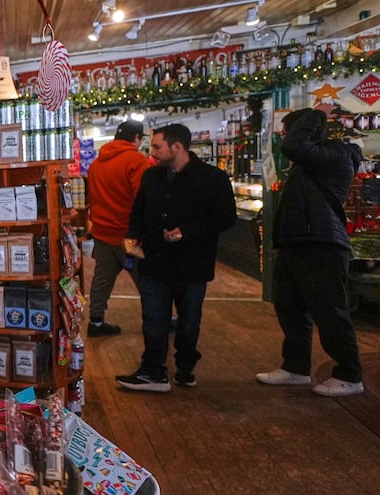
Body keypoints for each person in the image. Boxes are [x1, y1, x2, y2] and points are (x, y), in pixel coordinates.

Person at [116, 123, 237, 392]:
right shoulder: (151, 177)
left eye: (157, 146)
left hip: (192, 263)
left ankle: (185, 368)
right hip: (154, 262)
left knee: (188, 320)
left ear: (177, 146)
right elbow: (138, 211)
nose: (152, 152)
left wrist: (188, 231)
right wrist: (132, 235)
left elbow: (226, 218)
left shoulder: (212, 178)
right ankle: (153, 371)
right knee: (154, 318)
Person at [255, 108, 365, 397]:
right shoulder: (310, 161)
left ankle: (349, 375)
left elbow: (293, 144)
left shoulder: (337, 154)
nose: (283, 139)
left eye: (286, 131)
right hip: (299, 242)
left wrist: (316, 114)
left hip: (322, 243)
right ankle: (295, 368)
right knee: (290, 310)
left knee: (330, 312)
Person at [86, 120, 153, 337]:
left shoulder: (96, 164)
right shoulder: (136, 161)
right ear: (137, 138)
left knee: (102, 279)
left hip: (102, 233)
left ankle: (95, 322)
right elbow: (143, 199)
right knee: (146, 279)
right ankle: (155, 319)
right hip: (129, 236)